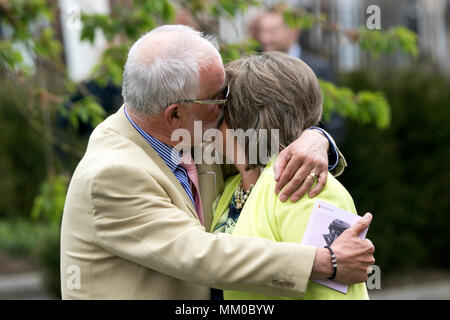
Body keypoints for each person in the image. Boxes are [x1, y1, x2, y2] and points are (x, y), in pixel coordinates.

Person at [60, 25, 374, 299]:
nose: (227, 105)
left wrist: (317, 137)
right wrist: (327, 263)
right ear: (175, 114)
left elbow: (259, 144)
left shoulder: (188, 135)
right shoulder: (112, 173)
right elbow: (202, 254)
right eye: (219, 98)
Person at [211, 52, 370, 299]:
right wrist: (321, 136)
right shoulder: (233, 184)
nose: (209, 117)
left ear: (241, 117)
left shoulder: (305, 185)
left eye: (220, 107)